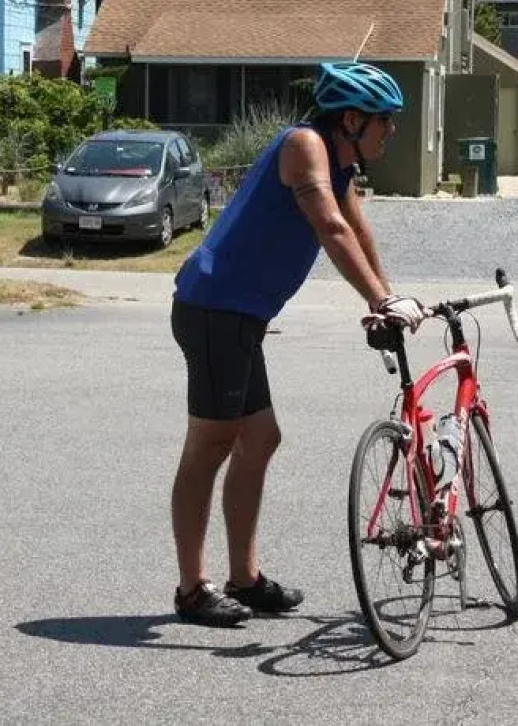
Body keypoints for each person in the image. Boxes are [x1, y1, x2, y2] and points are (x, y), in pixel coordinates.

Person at [167, 60, 427, 627]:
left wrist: (386, 297)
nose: (392, 132)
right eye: (387, 121)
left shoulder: (343, 165)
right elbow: (329, 227)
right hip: (215, 309)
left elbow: (356, 228)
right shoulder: (304, 144)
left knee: (260, 439)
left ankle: (245, 577)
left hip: (239, 317)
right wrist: (380, 303)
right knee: (211, 444)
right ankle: (192, 588)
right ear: (353, 119)